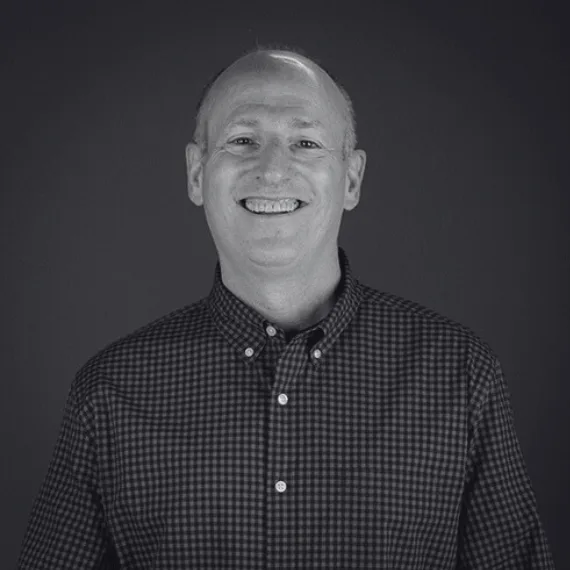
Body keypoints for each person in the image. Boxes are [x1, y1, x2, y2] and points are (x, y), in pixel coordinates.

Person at [18, 47, 555, 569]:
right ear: (197, 174)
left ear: (351, 179)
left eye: (305, 142)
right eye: (242, 140)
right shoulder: (109, 393)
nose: (273, 169)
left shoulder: (459, 374)